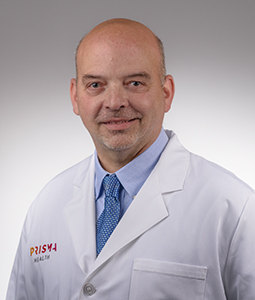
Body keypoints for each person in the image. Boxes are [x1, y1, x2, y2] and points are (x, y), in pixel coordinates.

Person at [6, 18, 255, 300]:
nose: (114, 102)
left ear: (166, 93)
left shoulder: (235, 208)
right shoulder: (47, 205)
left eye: (135, 83)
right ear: (75, 97)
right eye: (96, 85)